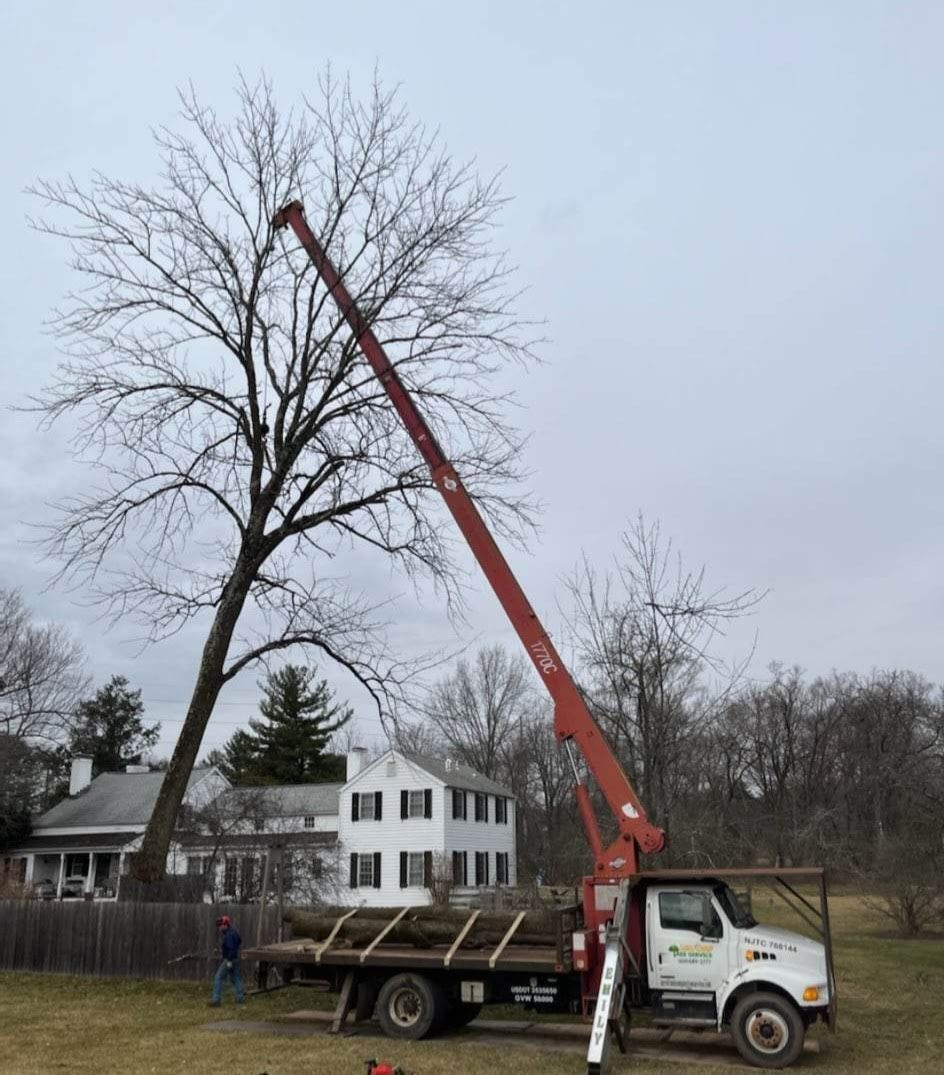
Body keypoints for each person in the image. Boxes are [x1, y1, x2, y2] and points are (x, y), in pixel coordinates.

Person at [209, 914, 245, 1006]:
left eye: (221, 925)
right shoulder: (234, 932)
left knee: (218, 977)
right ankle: (240, 998)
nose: (219, 928)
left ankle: (216, 1000)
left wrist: (229, 960)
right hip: (236, 958)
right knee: (236, 978)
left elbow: (231, 948)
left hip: (230, 959)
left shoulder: (229, 934)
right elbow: (239, 941)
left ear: (226, 925)